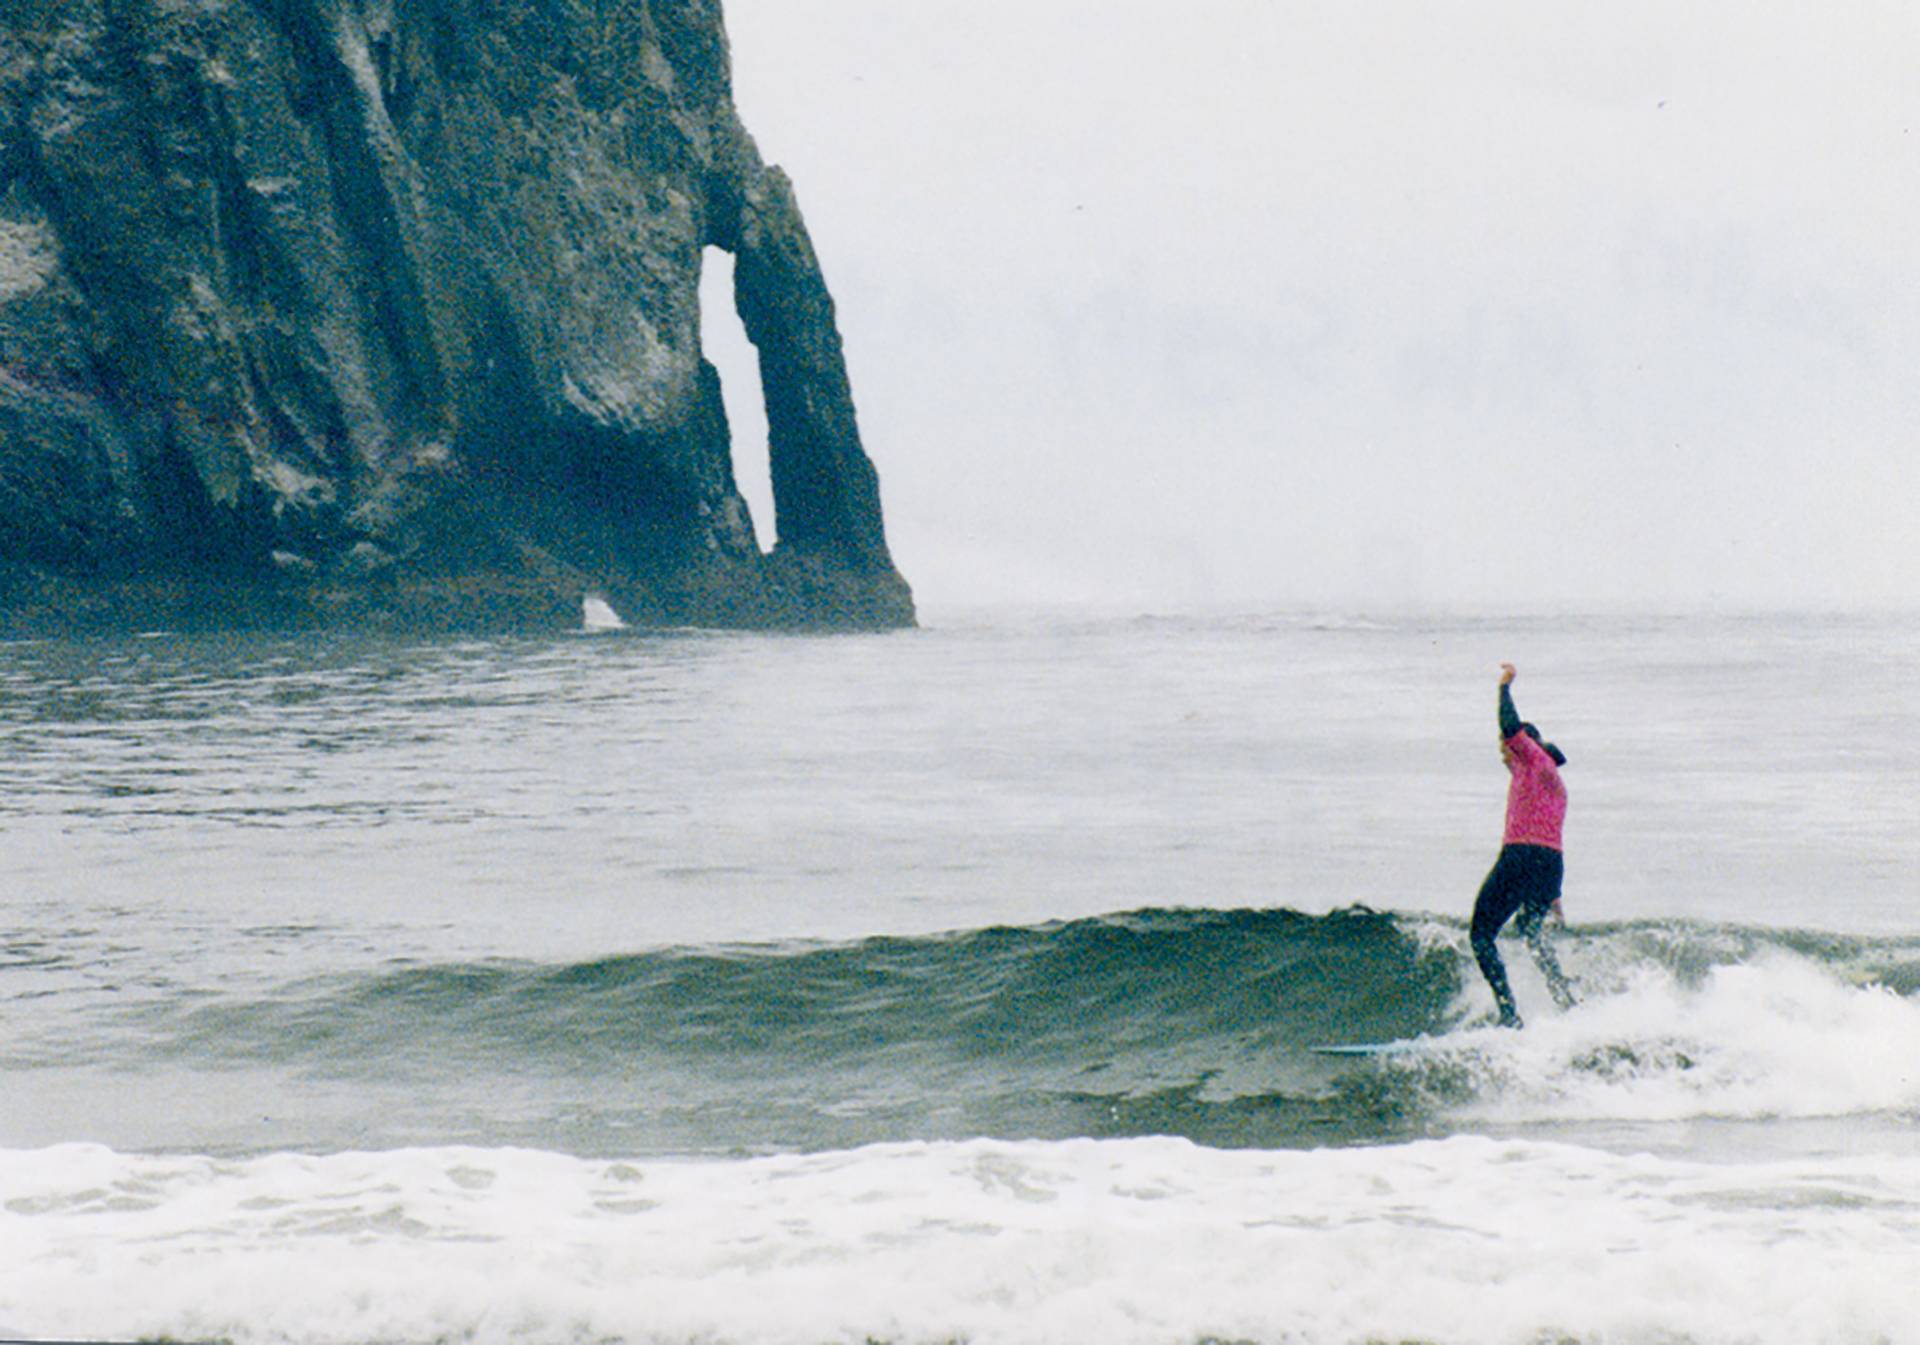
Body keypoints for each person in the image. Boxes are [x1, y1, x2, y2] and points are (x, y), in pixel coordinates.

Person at [1470, 662, 1576, 1027]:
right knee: (1530, 932)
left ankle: (1509, 1016)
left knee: (1482, 934)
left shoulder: (1531, 758)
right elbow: (1555, 841)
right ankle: (1566, 1000)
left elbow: (1510, 726)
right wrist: (1554, 893)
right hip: (1549, 865)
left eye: (1505, 749)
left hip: (1521, 855)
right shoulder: (1557, 784)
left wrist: (1504, 688)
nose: (1503, 754)